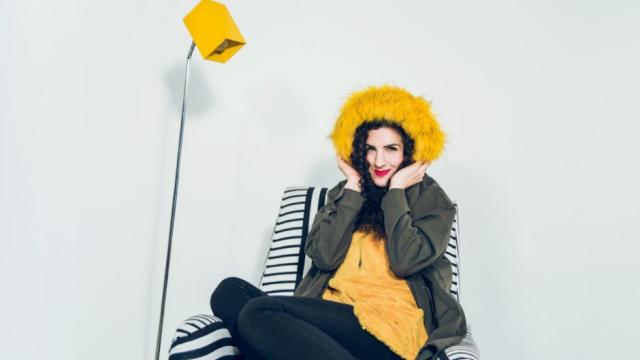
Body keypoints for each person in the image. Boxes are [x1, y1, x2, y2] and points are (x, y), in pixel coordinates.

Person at [210, 85, 467, 360]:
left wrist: (396, 192)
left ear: (410, 152)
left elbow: (406, 261)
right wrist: (353, 189)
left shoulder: (432, 200)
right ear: (358, 152)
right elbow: (325, 258)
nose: (379, 160)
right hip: (329, 319)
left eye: (391, 149)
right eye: (370, 149)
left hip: (389, 325)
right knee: (228, 292)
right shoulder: (344, 194)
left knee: (258, 312)